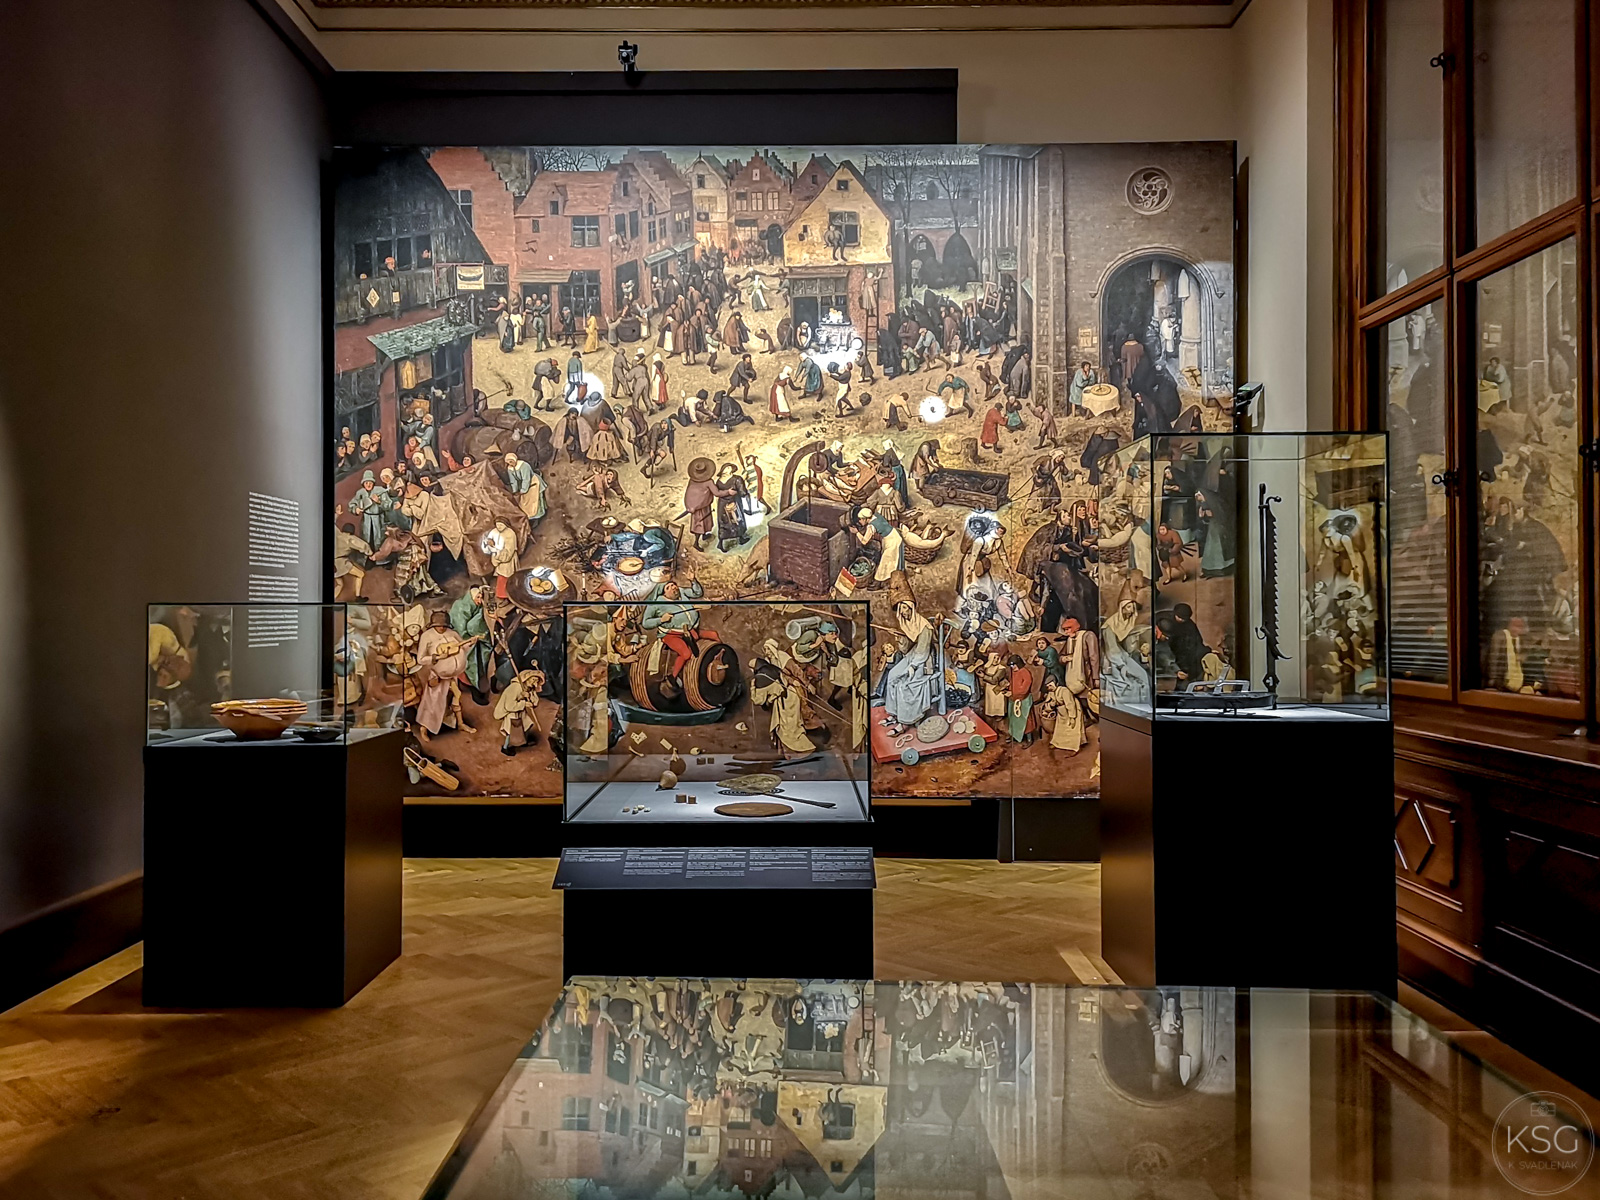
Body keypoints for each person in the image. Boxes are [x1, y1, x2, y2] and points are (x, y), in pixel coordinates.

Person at [414, 611, 477, 743]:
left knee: (456, 696)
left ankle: (460, 723)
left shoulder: (452, 633)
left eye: (444, 625)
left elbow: (462, 647)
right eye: (439, 625)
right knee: (432, 702)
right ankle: (424, 728)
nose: (442, 628)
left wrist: (470, 643)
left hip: (452, 675)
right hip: (438, 676)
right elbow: (420, 659)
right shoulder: (427, 636)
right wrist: (436, 657)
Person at [881, 600, 937, 732]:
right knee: (892, 675)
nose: (902, 612)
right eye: (900, 609)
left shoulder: (924, 627)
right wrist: (899, 638)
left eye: (905, 608)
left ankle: (904, 722)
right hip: (912, 655)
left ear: (911, 608)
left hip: (924, 660)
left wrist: (913, 666)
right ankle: (894, 714)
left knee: (904, 684)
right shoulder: (908, 624)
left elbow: (923, 651)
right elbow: (906, 649)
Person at [684, 458, 733, 551]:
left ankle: (704, 535)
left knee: (705, 523)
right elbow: (717, 493)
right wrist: (728, 492)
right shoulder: (708, 482)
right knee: (699, 525)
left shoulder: (692, 480)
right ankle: (696, 543)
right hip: (699, 508)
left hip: (703, 506)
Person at [494, 666, 544, 755]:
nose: (534, 683)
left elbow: (535, 702)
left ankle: (525, 741)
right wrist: (524, 703)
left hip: (521, 712)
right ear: (527, 678)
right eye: (533, 680)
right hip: (512, 713)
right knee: (510, 731)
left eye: (536, 681)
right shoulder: (515, 688)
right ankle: (505, 747)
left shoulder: (529, 688)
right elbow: (509, 706)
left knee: (527, 725)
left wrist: (529, 697)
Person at [502, 451, 546, 524]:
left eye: (511, 461)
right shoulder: (510, 469)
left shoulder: (524, 466)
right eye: (508, 462)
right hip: (523, 486)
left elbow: (526, 479)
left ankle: (537, 517)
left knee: (534, 502)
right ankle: (530, 518)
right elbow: (513, 481)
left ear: (515, 459)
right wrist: (515, 490)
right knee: (524, 503)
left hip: (532, 483)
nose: (510, 463)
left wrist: (523, 490)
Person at [714, 463, 750, 550]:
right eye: (727, 468)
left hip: (722, 504)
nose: (728, 469)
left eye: (729, 468)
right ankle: (740, 538)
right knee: (737, 520)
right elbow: (743, 493)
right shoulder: (737, 479)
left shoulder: (719, 481)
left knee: (724, 522)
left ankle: (721, 542)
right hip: (734, 502)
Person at [333, 521, 372, 601]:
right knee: (360, 574)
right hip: (341, 563)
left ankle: (331, 601)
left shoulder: (337, 534)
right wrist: (370, 553)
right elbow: (363, 545)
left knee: (340, 584)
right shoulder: (349, 539)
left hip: (333, 563)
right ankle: (358, 597)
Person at [1006, 655, 1036, 744]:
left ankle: (1029, 739)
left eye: (1014, 665)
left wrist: (1014, 693)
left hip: (1023, 700)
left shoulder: (1025, 672)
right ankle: (1015, 736)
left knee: (1026, 720)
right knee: (1014, 719)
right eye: (1011, 665)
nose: (1012, 667)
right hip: (1014, 700)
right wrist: (1009, 690)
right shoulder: (1013, 672)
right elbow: (1013, 683)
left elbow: (1025, 687)